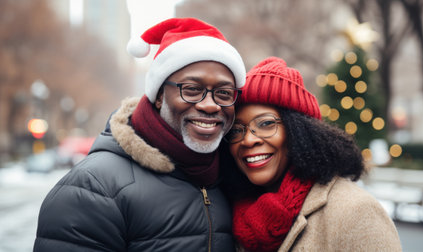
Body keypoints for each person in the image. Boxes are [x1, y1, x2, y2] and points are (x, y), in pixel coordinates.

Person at [33, 17, 246, 252]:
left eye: (224, 93)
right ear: (158, 96)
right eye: (192, 90)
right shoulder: (93, 188)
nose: (210, 105)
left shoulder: (234, 179)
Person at [220, 57, 402, 252]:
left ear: (299, 131)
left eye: (266, 124)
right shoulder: (227, 211)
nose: (248, 140)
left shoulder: (356, 211)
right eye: (237, 130)